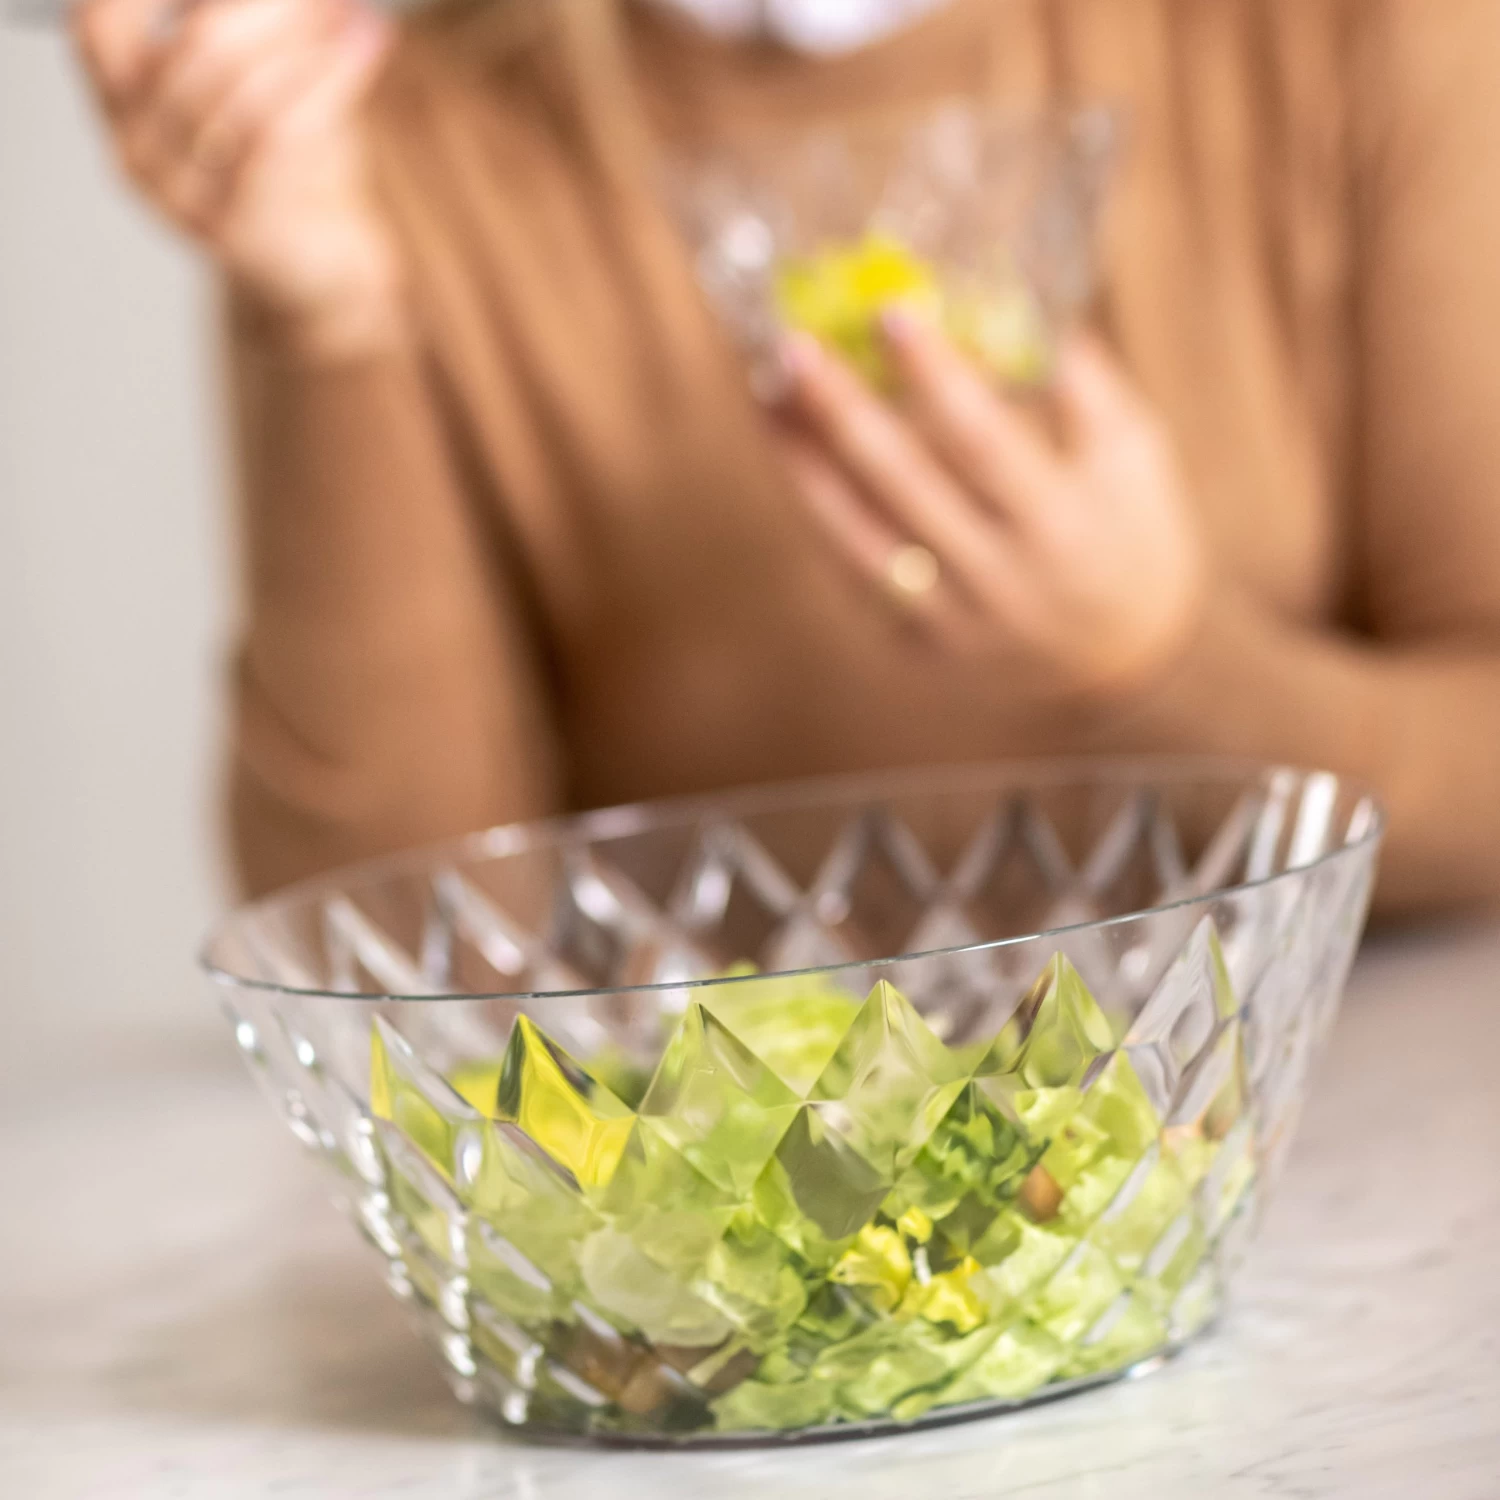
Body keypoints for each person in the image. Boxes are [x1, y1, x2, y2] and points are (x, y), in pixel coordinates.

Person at [71, 0, 1500, 918]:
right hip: (759, 1213)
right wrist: (321, 316)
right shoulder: (388, 134)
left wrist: (1162, 663)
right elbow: (390, 943)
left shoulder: (1357, 35)